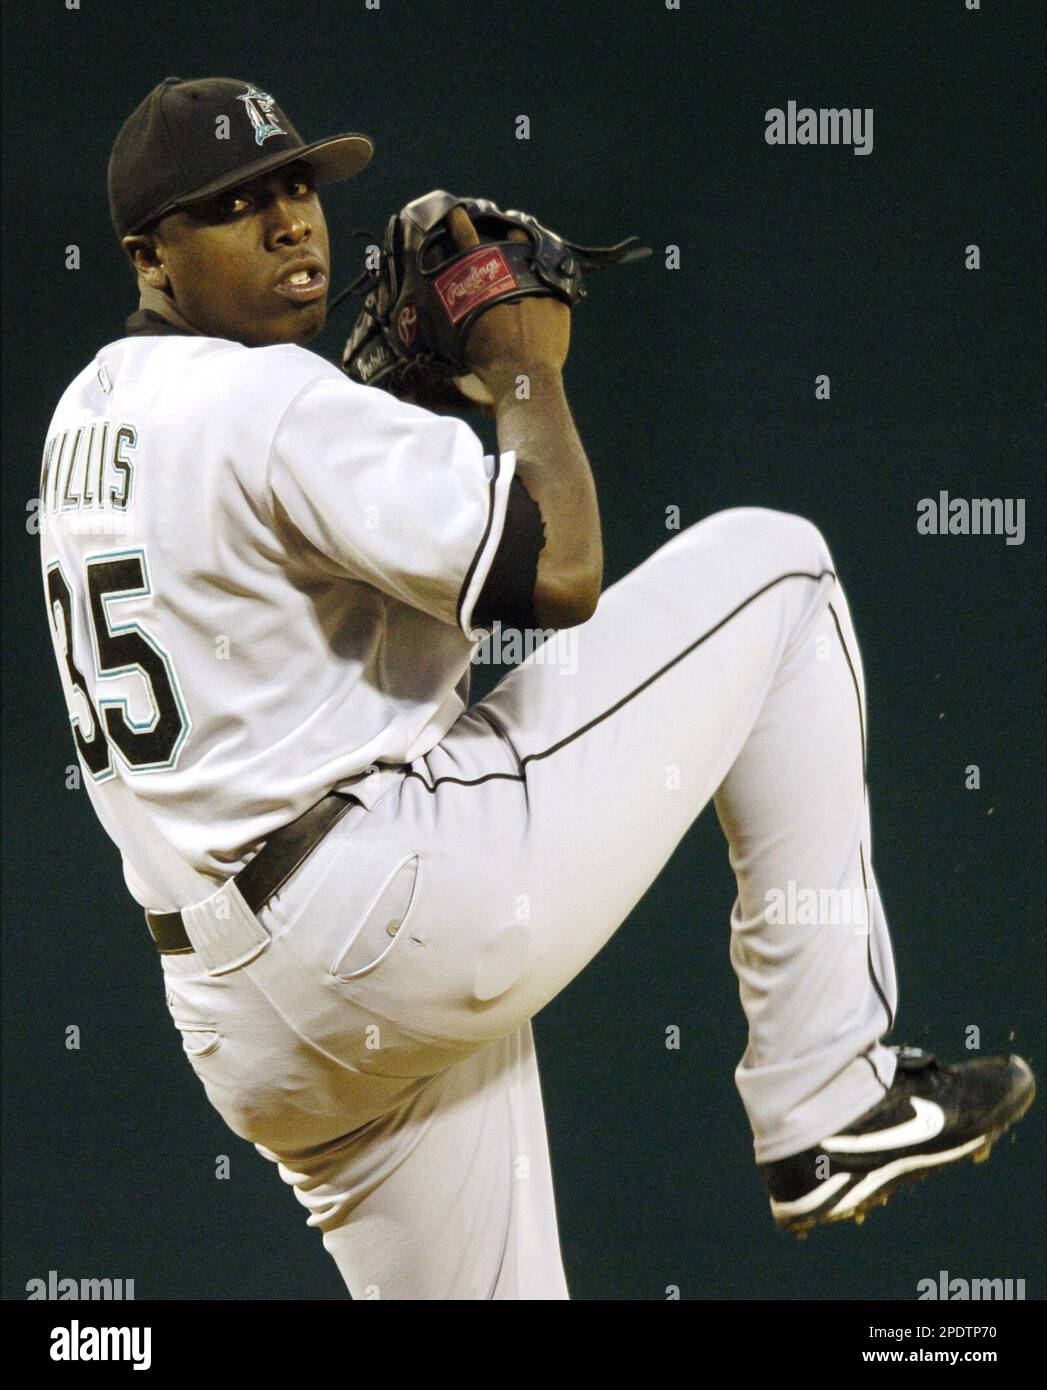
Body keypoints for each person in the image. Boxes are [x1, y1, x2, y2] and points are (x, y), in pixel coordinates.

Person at [39, 75, 1034, 1300]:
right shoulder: (268, 400)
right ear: (151, 253)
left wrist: (394, 399)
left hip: (245, 1018)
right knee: (781, 573)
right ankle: (829, 1097)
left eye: (297, 183)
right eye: (235, 204)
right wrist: (523, 366)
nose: (292, 222)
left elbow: (312, 606)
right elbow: (557, 572)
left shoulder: (84, 417)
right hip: (383, 911)